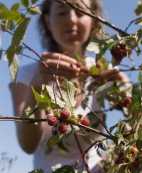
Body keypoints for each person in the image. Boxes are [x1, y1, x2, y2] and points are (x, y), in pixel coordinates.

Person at [9, 0, 130, 172]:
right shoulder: (28, 75)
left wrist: (126, 90)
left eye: (80, 12)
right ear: (47, 21)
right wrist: (37, 85)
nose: (72, 19)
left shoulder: (103, 72)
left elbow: (137, 122)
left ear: (93, 20)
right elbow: (27, 145)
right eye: (62, 12)